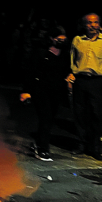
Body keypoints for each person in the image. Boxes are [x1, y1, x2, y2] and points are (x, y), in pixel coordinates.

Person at [68, 13, 102, 160]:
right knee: (80, 114)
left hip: (97, 81)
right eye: (89, 22)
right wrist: (71, 76)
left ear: (99, 24)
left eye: (95, 22)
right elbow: (72, 59)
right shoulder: (77, 40)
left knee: (96, 114)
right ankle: (82, 145)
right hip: (80, 80)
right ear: (84, 24)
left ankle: (95, 148)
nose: (92, 25)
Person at [20, 26, 71, 161]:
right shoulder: (41, 53)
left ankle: (39, 143)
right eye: (58, 38)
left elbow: (67, 70)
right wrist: (26, 91)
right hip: (41, 91)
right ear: (51, 38)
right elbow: (30, 72)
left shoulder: (65, 54)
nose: (61, 40)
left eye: (63, 38)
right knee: (45, 118)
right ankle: (43, 148)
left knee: (50, 118)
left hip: (56, 91)